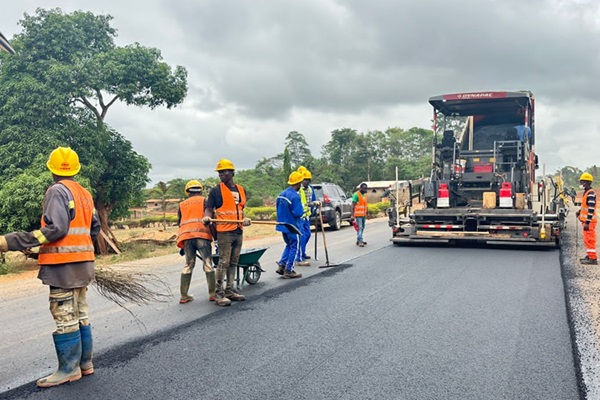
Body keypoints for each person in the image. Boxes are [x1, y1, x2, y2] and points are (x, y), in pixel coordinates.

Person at [0, 147, 100, 388]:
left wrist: (12, 241)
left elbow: (56, 229)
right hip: (83, 265)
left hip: (63, 267)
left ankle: (68, 369)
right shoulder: (84, 192)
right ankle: (85, 364)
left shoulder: (57, 190)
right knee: (80, 313)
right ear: (76, 169)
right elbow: (94, 228)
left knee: (65, 315)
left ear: (51, 168)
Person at [203, 159, 250, 306]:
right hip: (224, 232)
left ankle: (230, 290)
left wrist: (245, 219)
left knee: (234, 262)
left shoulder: (241, 190)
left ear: (232, 173)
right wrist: (207, 217)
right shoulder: (216, 191)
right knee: (224, 262)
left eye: (224, 171)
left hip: (238, 230)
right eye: (219, 172)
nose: (221, 174)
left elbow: (240, 209)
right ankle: (219, 293)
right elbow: (209, 208)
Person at [177, 180, 216, 304]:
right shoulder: (205, 201)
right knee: (208, 263)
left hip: (187, 237)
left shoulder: (182, 204)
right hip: (202, 236)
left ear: (187, 192)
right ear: (200, 190)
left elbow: (180, 222)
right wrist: (216, 238)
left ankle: (184, 296)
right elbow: (211, 220)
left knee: (188, 265)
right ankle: (213, 294)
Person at [275, 171, 305, 279]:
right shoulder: (295, 197)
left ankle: (282, 265)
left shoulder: (281, 195)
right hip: (293, 226)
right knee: (295, 246)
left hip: (282, 225)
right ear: (298, 183)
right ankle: (289, 269)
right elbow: (298, 212)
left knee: (289, 245)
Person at [295, 166, 319, 266]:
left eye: (308, 180)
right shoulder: (298, 190)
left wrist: (315, 205)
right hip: (300, 217)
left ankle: (302, 252)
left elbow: (311, 200)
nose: (306, 182)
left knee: (307, 235)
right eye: (304, 180)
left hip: (307, 216)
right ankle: (299, 257)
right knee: (301, 236)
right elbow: (301, 204)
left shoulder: (310, 189)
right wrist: (312, 204)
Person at [577, 172, 597, 265]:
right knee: (586, 239)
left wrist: (587, 222)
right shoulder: (587, 192)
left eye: (582, 181)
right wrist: (579, 212)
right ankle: (589, 255)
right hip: (586, 221)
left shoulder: (591, 193)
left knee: (590, 239)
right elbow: (586, 206)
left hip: (589, 222)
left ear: (587, 182)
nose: (581, 183)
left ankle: (592, 258)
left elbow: (591, 209)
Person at [351, 183, 369, 247]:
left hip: (363, 214)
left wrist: (367, 212)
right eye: (364, 188)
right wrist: (352, 215)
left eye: (366, 188)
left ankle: (358, 240)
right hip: (358, 215)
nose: (366, 190)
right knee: (360, 228)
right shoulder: (356, 195)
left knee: (362, 227)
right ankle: (360, 240)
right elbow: (353, 205)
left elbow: (365, 204)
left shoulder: (364, 195)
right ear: (360, 188)